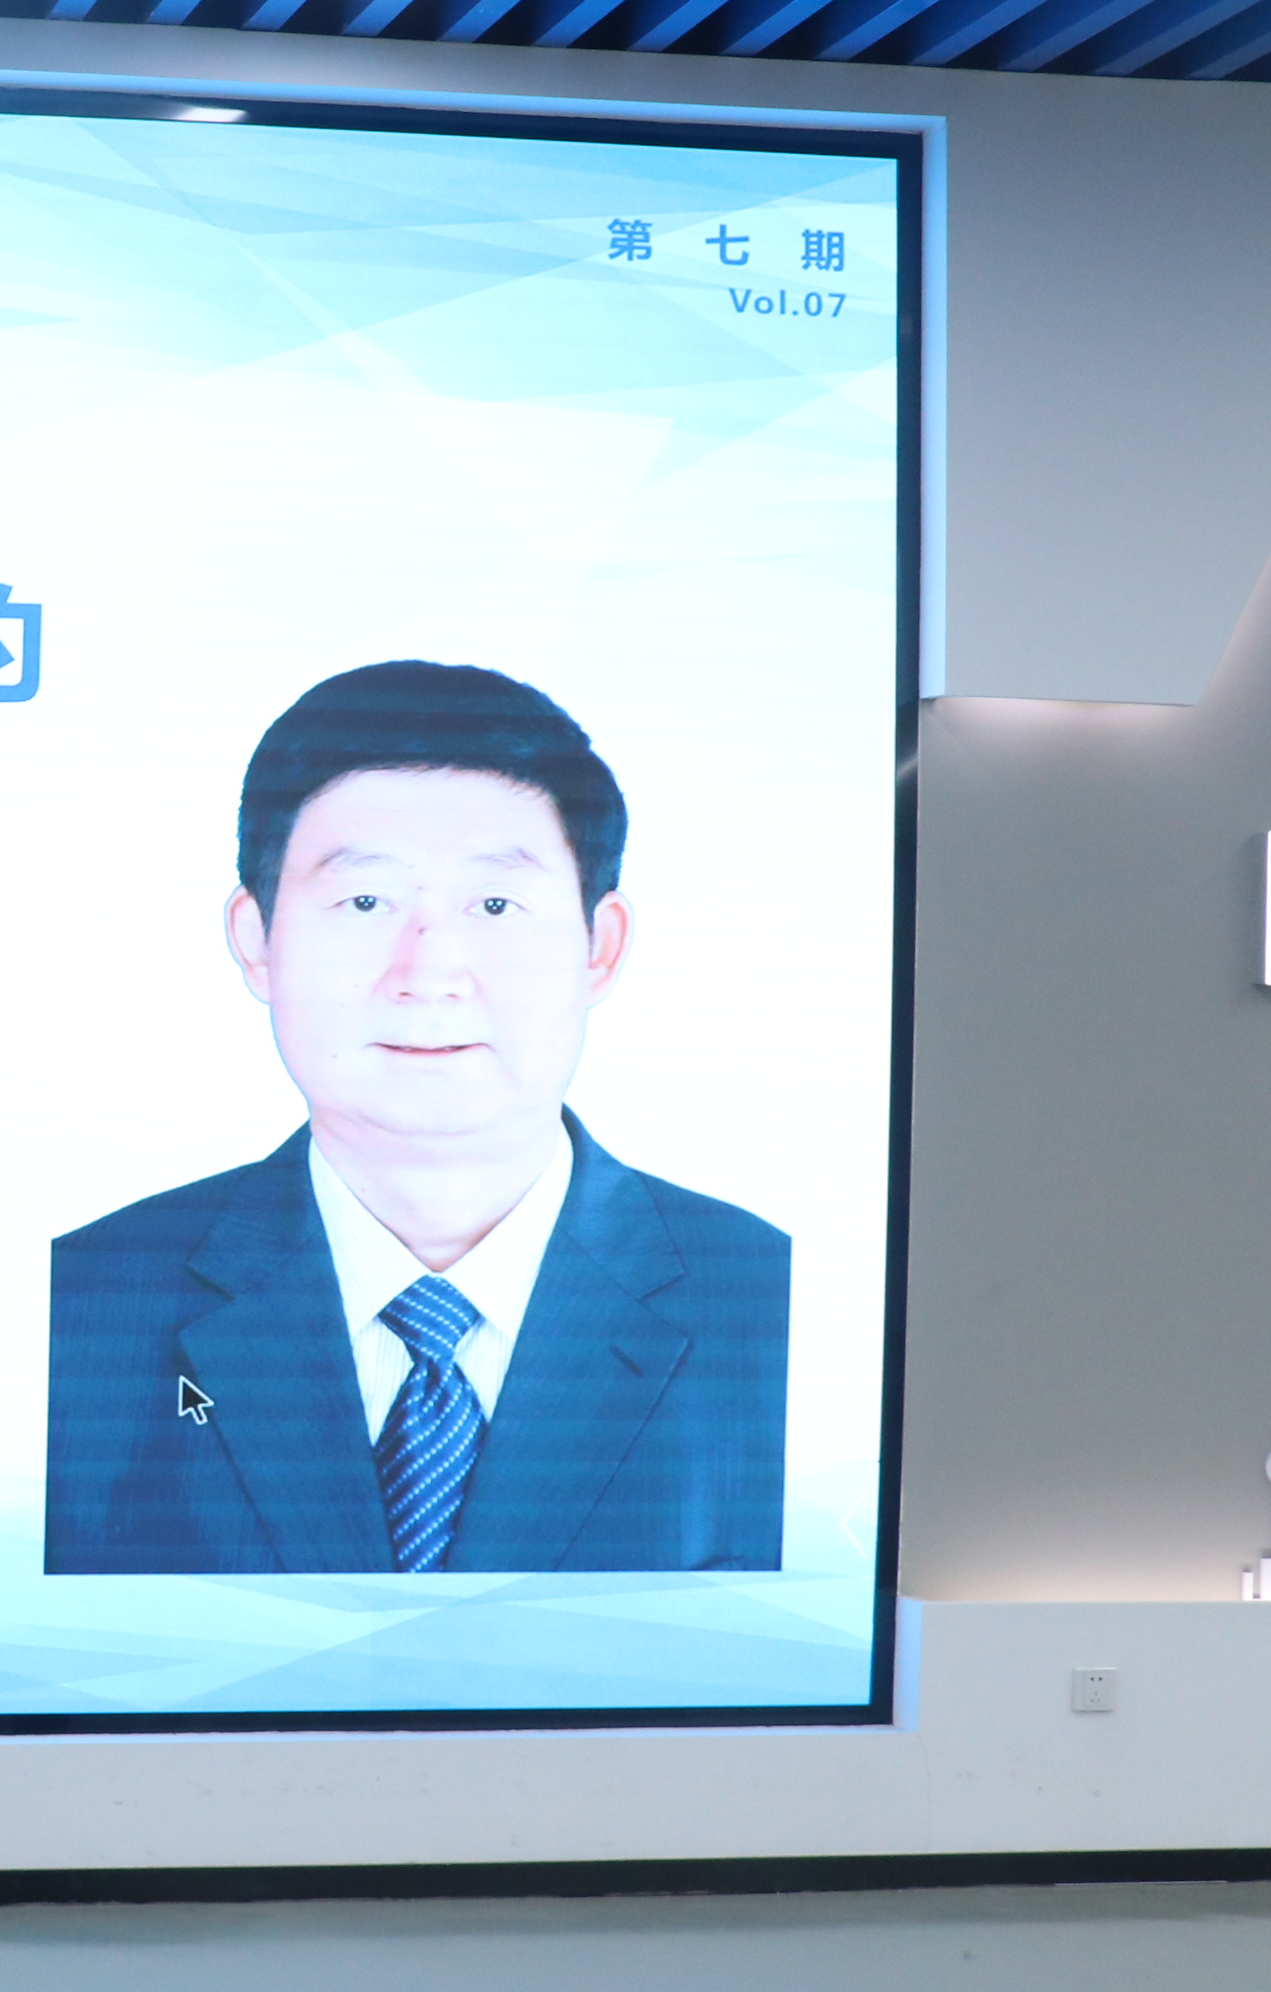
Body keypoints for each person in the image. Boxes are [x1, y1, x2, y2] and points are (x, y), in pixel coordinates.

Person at [44, 662, 790, 1577]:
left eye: (495, 905)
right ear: (255, 939)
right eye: (365, 902)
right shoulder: (79, 1309)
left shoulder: (772, 1303)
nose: (429, 973)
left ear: (600, 947)